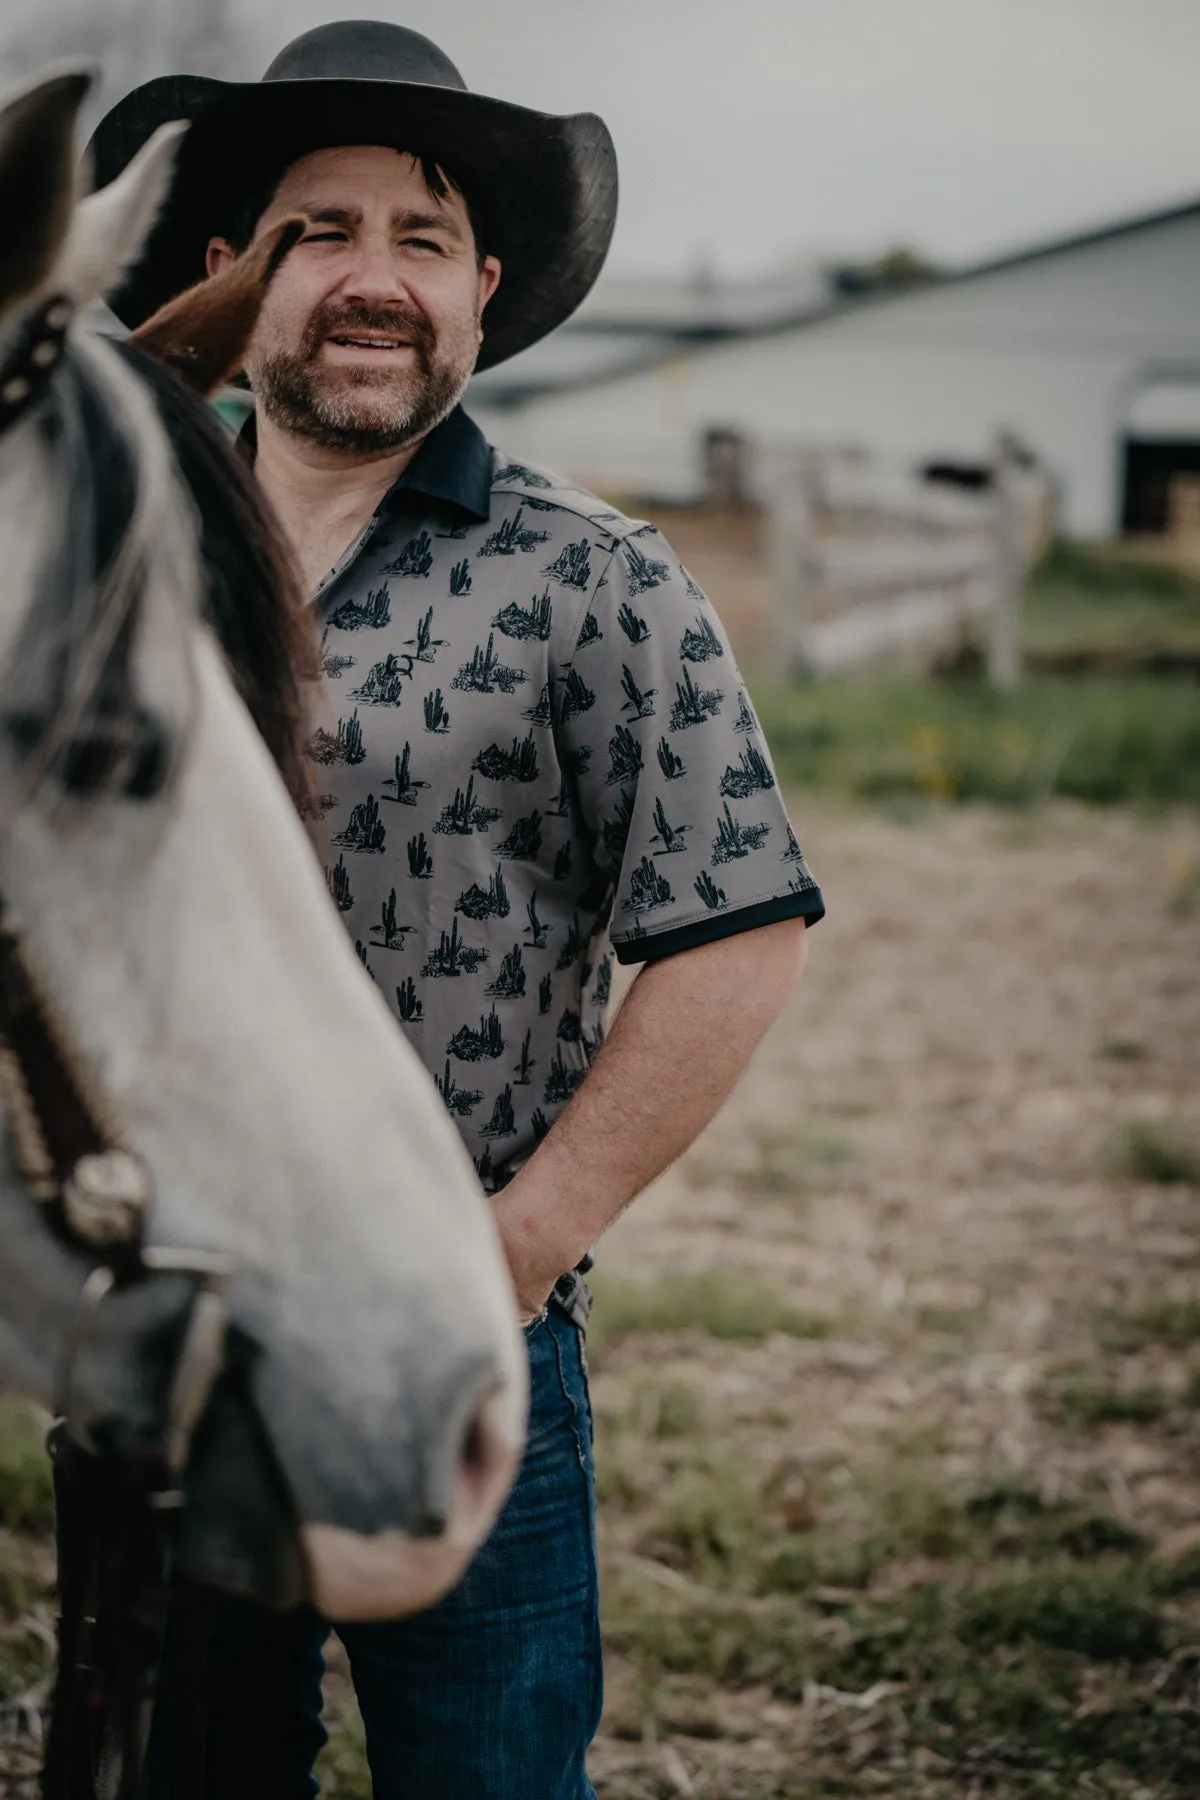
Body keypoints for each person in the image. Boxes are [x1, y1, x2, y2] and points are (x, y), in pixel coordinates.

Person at [90, 21, 825, 1799]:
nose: (371, 280)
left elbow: (736, 925)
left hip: (458, 1355)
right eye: (318, 231)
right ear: (224, 274)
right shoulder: (106, 575)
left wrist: (516, 1244)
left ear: (482, 295)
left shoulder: (596, 580)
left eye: (420, 241)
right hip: (167, 1356)